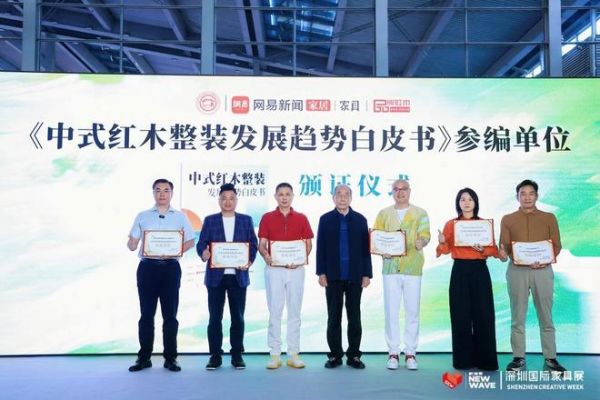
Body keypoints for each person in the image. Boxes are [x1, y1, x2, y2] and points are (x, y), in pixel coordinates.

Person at [127, 178, 195, 372]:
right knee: (146, 314)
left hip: (170, 268)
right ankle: (144, 358)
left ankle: (170, 358)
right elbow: (132, 244)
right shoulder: (142, 216)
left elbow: (190, 241)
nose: (162, 194)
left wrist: (175, 251)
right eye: (158, 190)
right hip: (147, 268)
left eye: (166, 190)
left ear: (171, 193)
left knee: (170, 315)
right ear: (153, 193)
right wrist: (132, 242)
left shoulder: (180, 217)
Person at [498, 179, 566, 373]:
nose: (527, 197)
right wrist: (501, 254)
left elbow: (556, 245)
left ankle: (551, 358)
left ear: (537, 196)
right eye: (523, 194)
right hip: (517, 271)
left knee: (546, 315)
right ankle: (518, 358)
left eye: (531, 193)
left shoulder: (549, 218)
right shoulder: (508, 219)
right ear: (517, 197)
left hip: (542, 270)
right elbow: (504, 248)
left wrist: (545, 259)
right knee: (517, 315)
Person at [436, 188, 499, 370]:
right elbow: (444, 250)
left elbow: (494, 250)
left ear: (475, 202)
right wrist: (442, 241)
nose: (466, 202)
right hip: (460, 270)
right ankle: (463, 360)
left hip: (480, 270)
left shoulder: (483, 224)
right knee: (460, 315)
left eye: (470, 199)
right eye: (462, 199)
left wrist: (483, 250)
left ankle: (486, 361)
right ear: (458, 203)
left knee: (484, 314)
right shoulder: (451, 224)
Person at [197, 183, 258, 370]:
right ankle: (215, 355)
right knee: (214, 318)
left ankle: (237, 354)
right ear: (219, 200)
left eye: (231, 198)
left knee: (237, 317)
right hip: (215, 277)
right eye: (224, 198)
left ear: (236, 200)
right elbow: (201, 244)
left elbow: (253, 244)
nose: (228, 202)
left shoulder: (246, 220)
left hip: (238, 276)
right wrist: (204, 253)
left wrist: (249, 261)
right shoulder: (210, 220)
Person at [373, 179, 430, 371]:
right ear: (392, 192)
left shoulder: (420, 213)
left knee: (412, 311)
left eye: (404, 189)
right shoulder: (384, 214)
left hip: (413, 267)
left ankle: (411, 352)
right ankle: (393, 352)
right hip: (391, 268)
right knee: (391, 311)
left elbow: (425, 234)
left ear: (409, 191)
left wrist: (422, 242)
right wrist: (382, 250)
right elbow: (376, 238)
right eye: (396, 189)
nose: (400, 192)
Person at [316, 184, 372, 369]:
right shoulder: (325, 219)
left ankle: (354, 355)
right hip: (333, 275)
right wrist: (321, 272)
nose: (342, 197)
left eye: (346, 194)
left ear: (351, 197)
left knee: (354, 317)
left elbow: (366, 249)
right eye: (338, 194)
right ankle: (335, 355)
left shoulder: (360, 220)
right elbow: (320, 248)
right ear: (333, 198)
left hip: (355, 275)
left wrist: (367, 273)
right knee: (334, 317)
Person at [258, 183, 314, 369]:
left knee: (294, 311)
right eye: (281, 194)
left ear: (292, 196)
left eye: (287, 194)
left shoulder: (302, 218)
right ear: (275, 196)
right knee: (275, 311)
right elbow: (262, 245)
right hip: (274, 269)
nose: (284, 197)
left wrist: (301, 259)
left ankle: (293, 353)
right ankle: (275, 354)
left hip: (296, 270)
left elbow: (308, 244)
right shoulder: (267, 218)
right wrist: (266, 256)